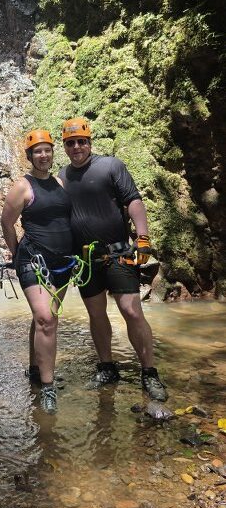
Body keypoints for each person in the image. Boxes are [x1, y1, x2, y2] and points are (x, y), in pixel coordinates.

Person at [58, 117, 168, 401]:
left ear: (89, 142)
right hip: (85, 260)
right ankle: (107, 366)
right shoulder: (61, 177)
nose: (77, 147)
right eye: (70, 143)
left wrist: (142, 237)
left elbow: (133, 200)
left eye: (81, 141)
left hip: (118, 252)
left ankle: (149, 372)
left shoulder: (110, 166)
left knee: (131, 311)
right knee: (96, 314)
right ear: (65, 147)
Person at [1, 129, 73, 413]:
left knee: (44, 318)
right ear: (29, 156)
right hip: (33, 260)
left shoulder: (59, 182)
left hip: (63, 261)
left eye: (47, 150)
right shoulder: (22, 186)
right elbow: (7, 223)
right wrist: (18, 252)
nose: (43, 155)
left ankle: (35, 369)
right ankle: (48, 387)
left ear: (52, 153)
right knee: (46, 318)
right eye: (37, 151)